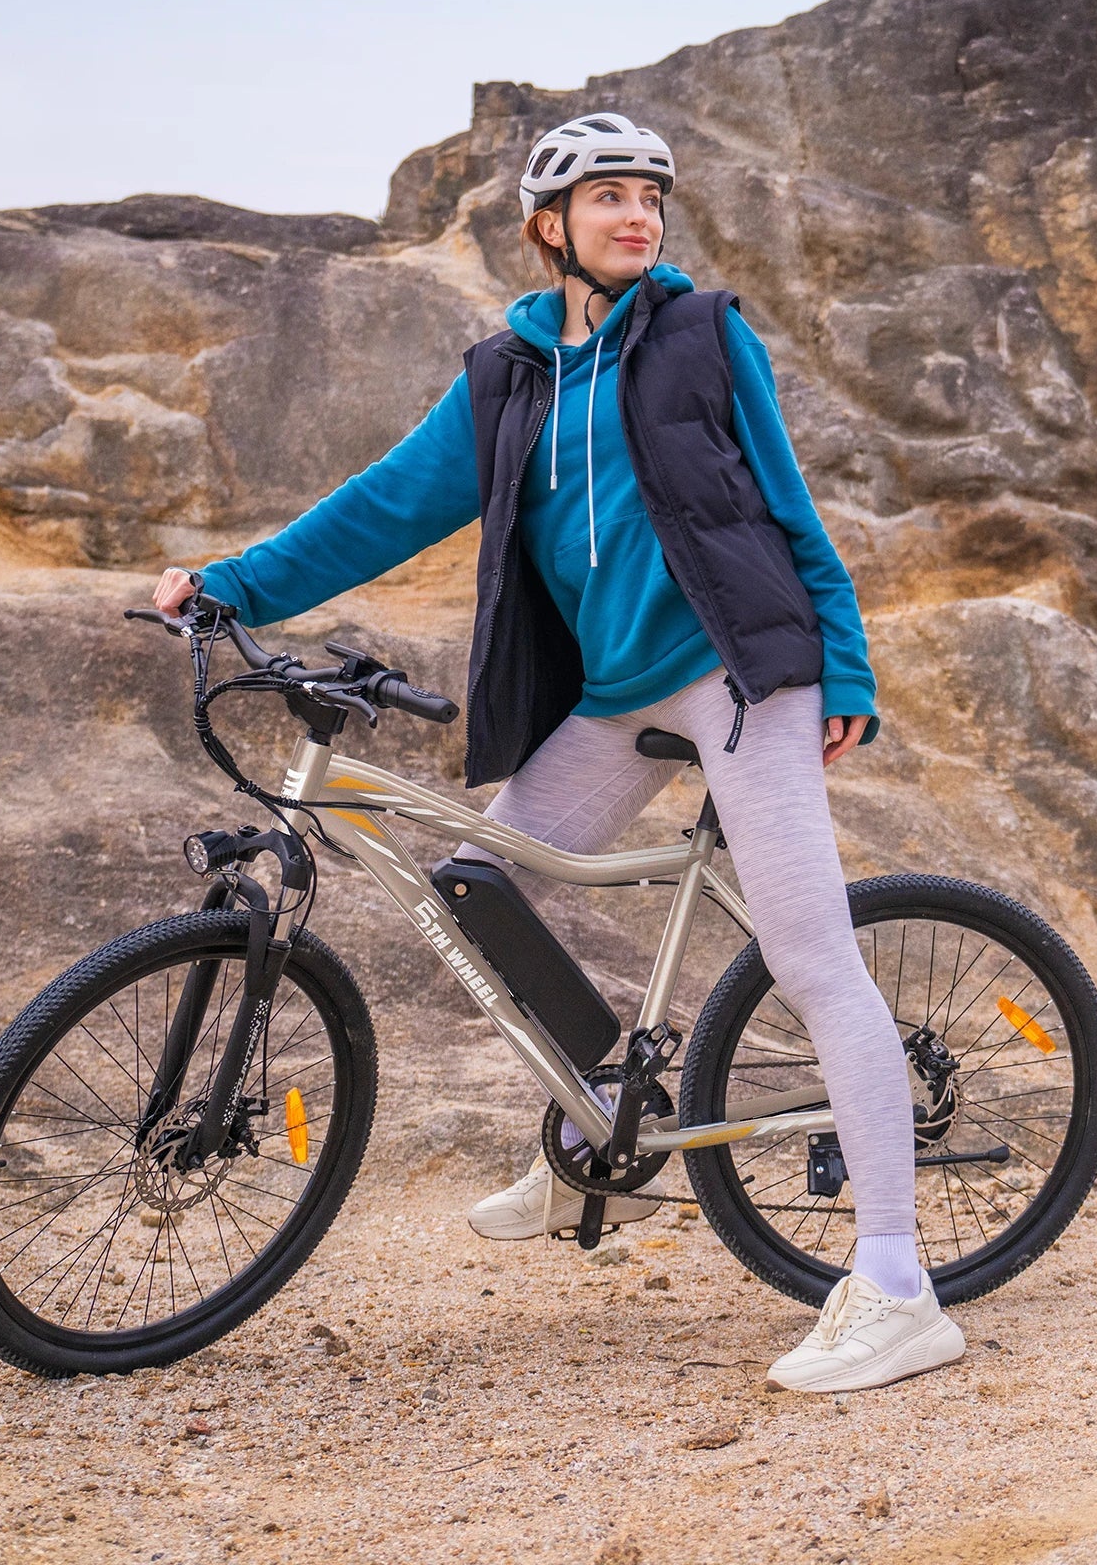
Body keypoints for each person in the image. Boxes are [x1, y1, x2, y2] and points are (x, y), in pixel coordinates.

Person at [152, 113, 965, 1393]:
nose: (638, 215)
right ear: (550, 227)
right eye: (609, 198)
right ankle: (607, 1133)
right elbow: (382, 506)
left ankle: (896, 1280)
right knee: (484, 890)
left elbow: (788, 500)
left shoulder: (702, 335)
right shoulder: (506, 376)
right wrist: (232, 586)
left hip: (746, 674)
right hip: (614, 692)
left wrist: (845, 663)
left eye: (650, 196)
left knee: (809, 955)